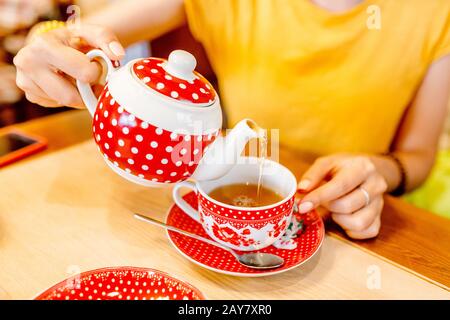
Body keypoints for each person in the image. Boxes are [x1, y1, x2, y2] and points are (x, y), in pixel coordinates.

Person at [13, 0, 450, 239]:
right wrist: (46, 46)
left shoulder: (435, 12)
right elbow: (80, 30)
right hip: (228, 199)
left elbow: (417, 155)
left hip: (349, 214)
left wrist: (376, 172)